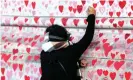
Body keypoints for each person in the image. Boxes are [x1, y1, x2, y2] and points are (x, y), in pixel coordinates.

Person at [40, 6, 96, 80]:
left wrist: (77, 62)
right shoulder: (71, 51)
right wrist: (91, 16)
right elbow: (88, 37)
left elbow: (55, 69)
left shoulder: (44, 53)